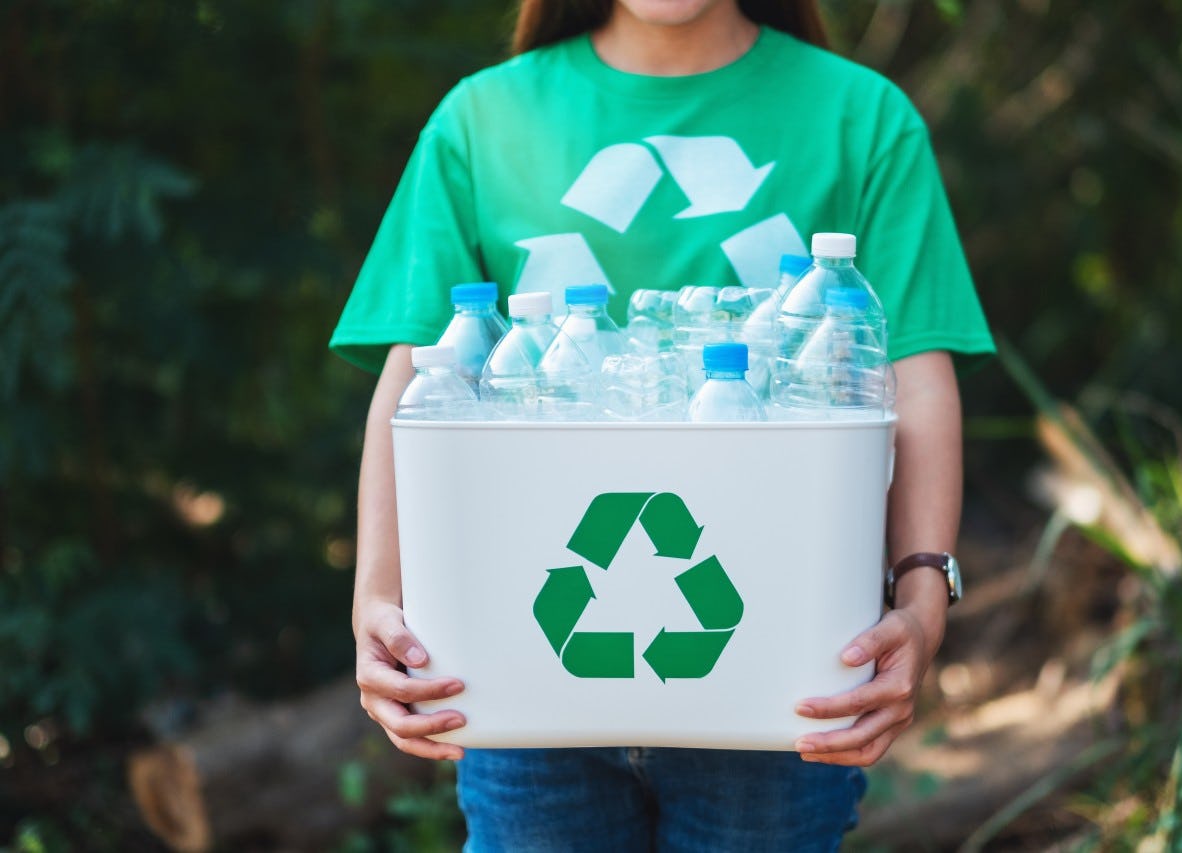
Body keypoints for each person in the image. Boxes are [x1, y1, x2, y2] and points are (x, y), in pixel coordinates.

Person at [330, 0, 995, 849]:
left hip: (778, 678)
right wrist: (375, 604)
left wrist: (923, 599)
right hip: (521, 667)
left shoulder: (861, 117)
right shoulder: (481, 120)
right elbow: (417, 381)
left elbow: (918, 379)